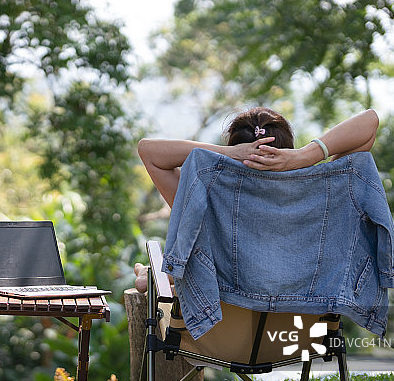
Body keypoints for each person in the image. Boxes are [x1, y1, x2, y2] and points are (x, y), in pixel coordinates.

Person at [133, 107, 379, 292]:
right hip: (296, 333)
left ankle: (154, 272)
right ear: (288, 150)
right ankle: (154, 273)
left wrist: (227, 155)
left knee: (171, 265)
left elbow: (149, 151)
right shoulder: (319, 200)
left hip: (220, 335)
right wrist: (305, 157)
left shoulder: (207, 203)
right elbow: (370, 124)